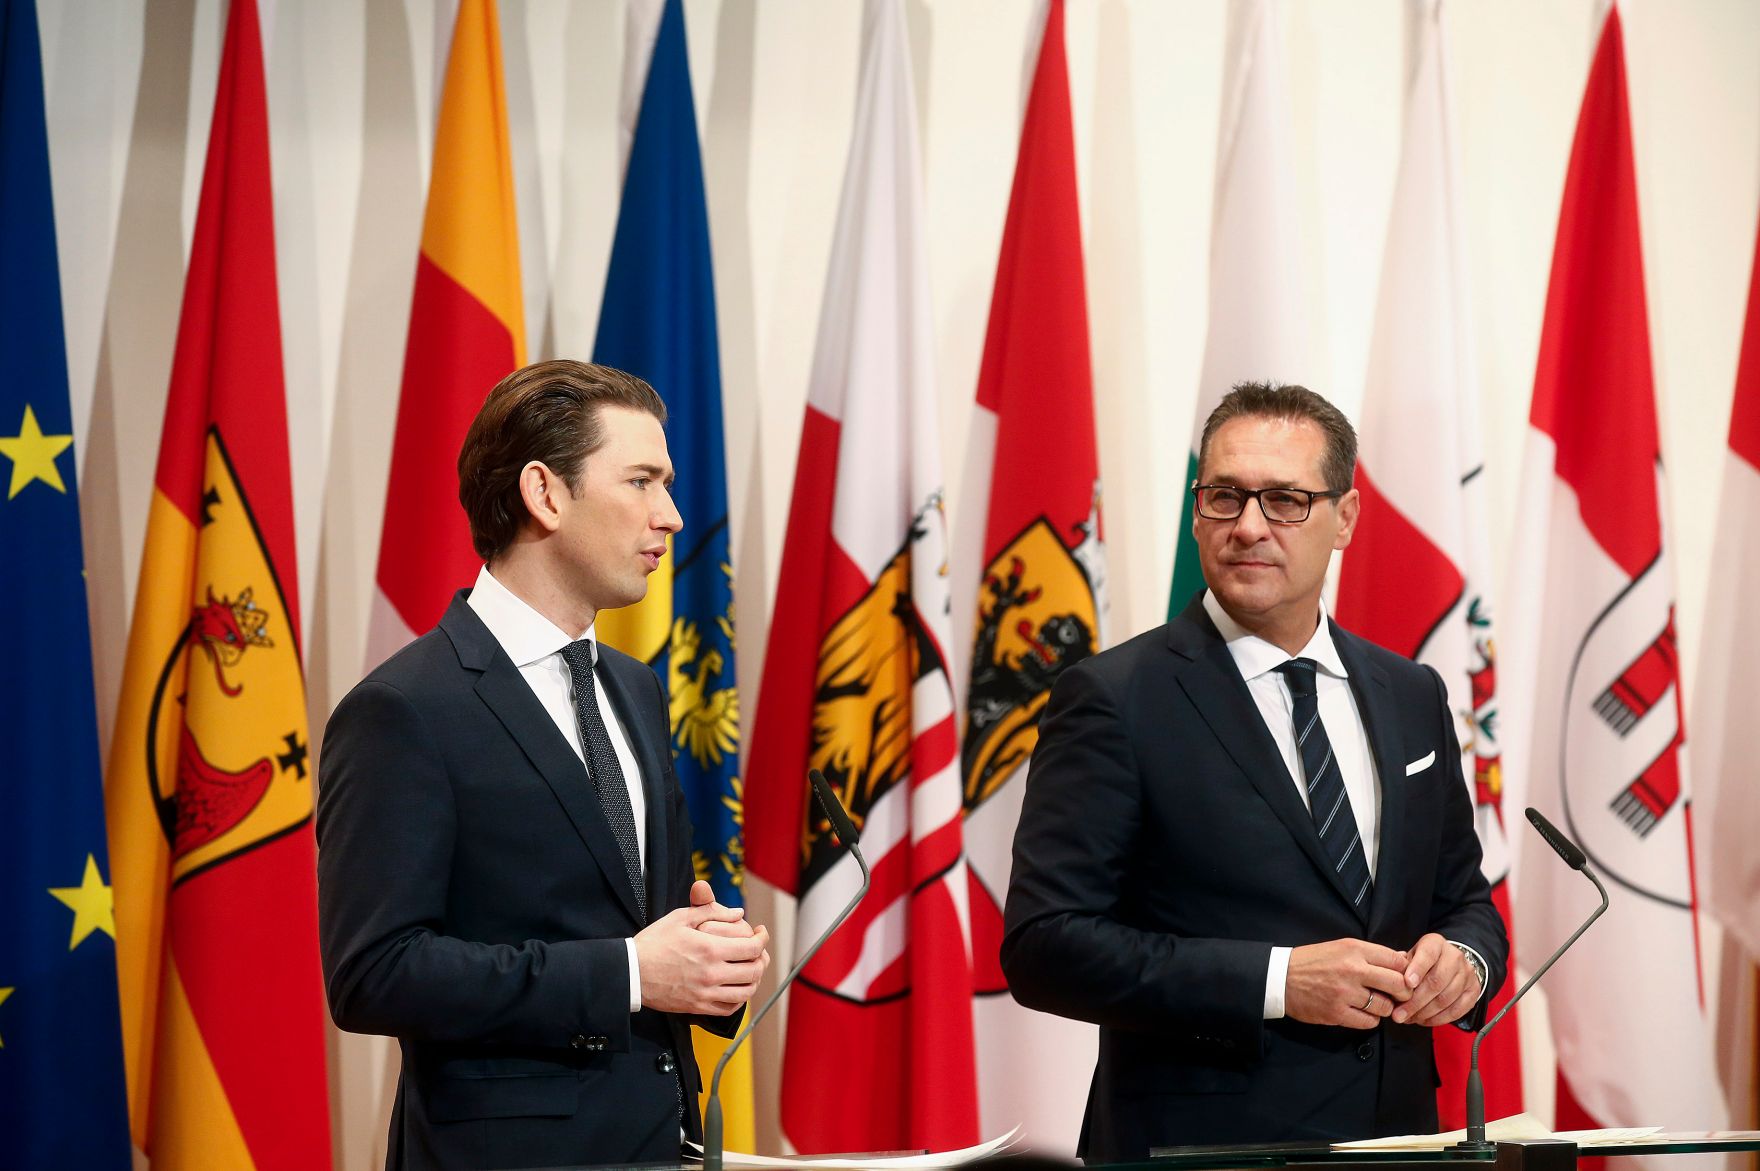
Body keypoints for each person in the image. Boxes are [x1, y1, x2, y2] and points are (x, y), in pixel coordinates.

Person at [1001, 382, 1508, 1162]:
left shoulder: (1411, 693)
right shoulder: (1114, 697)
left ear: (1345, 518)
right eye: (1224, 497)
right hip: (1201, 1149)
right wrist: (1276, 981)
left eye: (1285, 501)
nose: (1247, 527)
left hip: (1398, 1137)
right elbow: (1046, 946)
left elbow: (1463, 898)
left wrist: (1465, 964)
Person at [317, 360, 770, 1170]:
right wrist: (630, 971)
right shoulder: (405, 709)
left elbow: (638, 923)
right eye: (641, 481)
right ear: (544, 493)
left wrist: (706, 961)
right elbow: (374, 973)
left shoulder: (634, 689)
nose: (670, 515)